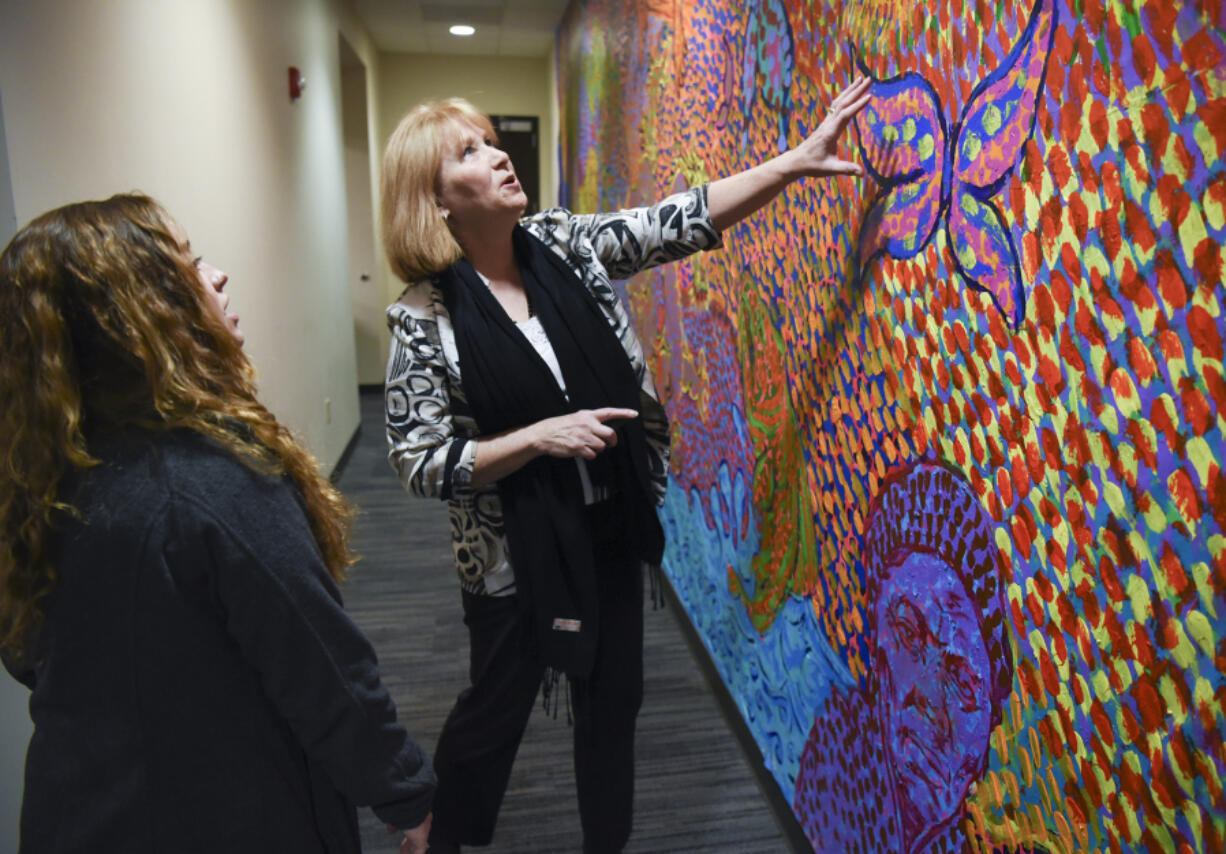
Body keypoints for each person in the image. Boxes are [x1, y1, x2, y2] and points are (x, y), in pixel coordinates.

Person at [380, 79, 872, 853]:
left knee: (614, 709)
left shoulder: (566, 247)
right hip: (513, 559)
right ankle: (437, 838)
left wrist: (795, 163)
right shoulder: (422, 317)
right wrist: (540, 437)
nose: (499, 154)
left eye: (490, 139)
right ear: (437, 201)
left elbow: (675, 221)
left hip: (609, 522)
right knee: (494, 714)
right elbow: (419, 462)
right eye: (468, 152)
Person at [0, 194, 435, 854]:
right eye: (188, 262)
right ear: (135, 313)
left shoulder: (44, 479)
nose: (218, 273)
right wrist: (407, 794)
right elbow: (322, 669)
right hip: (225, 817)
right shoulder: (210, 481)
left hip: (76, 812)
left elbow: (32, 657)